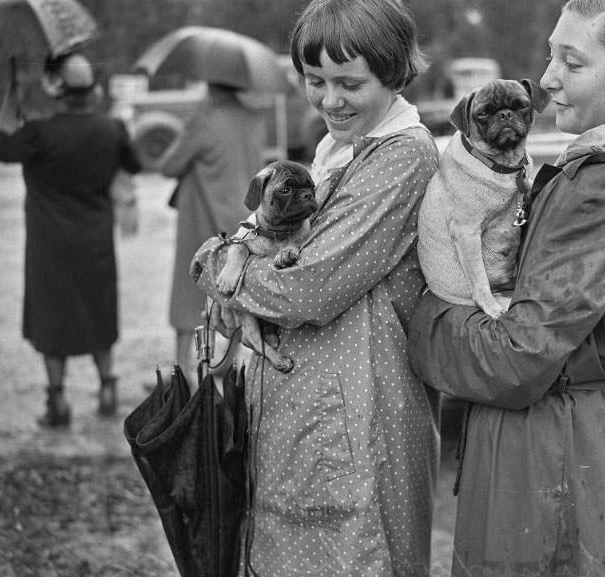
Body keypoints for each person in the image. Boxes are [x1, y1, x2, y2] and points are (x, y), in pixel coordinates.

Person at [407, 1, 605, 576]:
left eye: (571, 62)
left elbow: (515, 357)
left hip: (557, 455)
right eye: (551, 55)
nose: (546, 80)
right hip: (578, 435)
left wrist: (422, 315)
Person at [199, 0, 440, 574]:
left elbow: (304, 291)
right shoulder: (341, 149)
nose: (330, 99)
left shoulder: (402, 156)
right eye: (315, 81)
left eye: (350, 83)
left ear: (395, 73)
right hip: (317, 412)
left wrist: (212, 264)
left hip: (361, 418)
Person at [0, 53, 142, 427]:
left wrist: (10, 100)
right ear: (92, 92)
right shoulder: (112, 129)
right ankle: (107, 388)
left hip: (48, 246)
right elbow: (135, 164)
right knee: (98, 311)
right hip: (95, 241)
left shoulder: (38, 135)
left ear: (59, 93)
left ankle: (57, 402)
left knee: (51, 317)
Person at [159, 82, 266, 379]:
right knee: (236, 291)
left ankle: (182, 368)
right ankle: (227, 362)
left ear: (211, 85)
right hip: (244, 219)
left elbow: (169, 166)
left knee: (188, 293)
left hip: (203, 218)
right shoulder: (254, 118)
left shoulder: (204, 120)